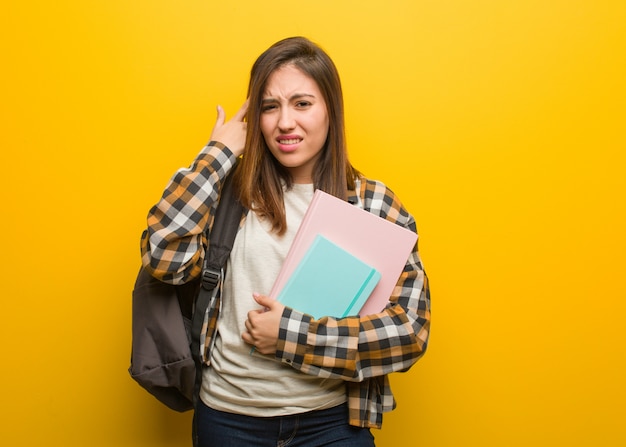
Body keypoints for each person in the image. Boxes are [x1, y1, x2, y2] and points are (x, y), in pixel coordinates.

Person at [141, 36, 431, 447]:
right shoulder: (227, 193)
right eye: (269, 106)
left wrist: (290, 336)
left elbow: (410, 330)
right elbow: (163, 257)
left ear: (331, 109)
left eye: (302, 103)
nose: (284, 123)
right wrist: (218, 153)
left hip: (331, 424)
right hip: (229, 421)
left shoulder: (373, 203)